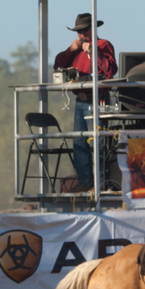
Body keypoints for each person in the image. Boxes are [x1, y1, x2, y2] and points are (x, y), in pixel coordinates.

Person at [54, 13, 118, 192]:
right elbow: (57, 67)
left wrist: (93, 52)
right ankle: (85, 182)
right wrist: (70, 50)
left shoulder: (103, 45)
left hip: (96, 99)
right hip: (81, 100)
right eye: (78, 32)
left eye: (83, 30)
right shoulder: (75, 50)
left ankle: (100, 181)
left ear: (92, 29)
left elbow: (109, 69)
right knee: (80, 142)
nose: (81, 35)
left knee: (96, 141)